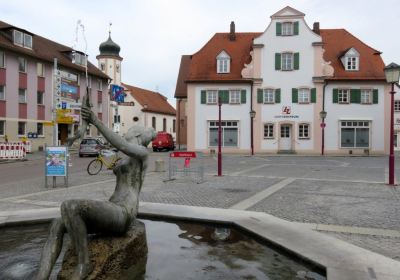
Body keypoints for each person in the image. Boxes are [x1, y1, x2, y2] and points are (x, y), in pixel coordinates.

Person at [36, 104, 156, 280]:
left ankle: (84, 264)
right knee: (57, 223)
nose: (124, 136)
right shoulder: (127, 157)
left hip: (124, 213)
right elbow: (117, 145)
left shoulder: (142, 154)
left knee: (70, 206)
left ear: (136, 135)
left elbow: (121, 144)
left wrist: (95, 121)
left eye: (127, 133)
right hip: (112, 207)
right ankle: (41, 276)